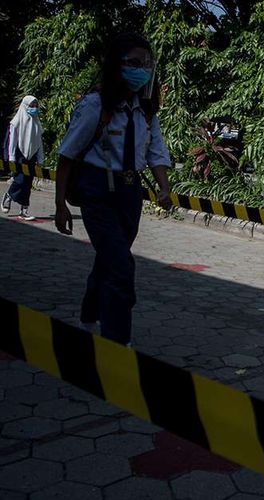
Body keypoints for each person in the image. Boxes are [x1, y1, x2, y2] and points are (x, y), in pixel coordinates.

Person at [54, 33, 172, 346]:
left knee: (109, 259)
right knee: (121, 267)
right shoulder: (95, 105)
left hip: (129, 192)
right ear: (116, 65)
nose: (141, 70)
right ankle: (117, 343)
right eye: (134, 63)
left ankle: (88, 316)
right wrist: (60, 206)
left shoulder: (145, 110)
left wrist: (164, 188)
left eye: (146, 64)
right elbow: (66, 156)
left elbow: (155, 151)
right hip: (97, 190)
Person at [2, 96, 44, 221]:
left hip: (32, 156)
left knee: (27, 183)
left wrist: (40, 159)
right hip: (20, 154)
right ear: (25, 106)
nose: (34, 108)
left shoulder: (36, 122)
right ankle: (8, 196)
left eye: (36, 106)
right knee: (19, 180)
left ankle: (24, 210)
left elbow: (39, 142)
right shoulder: (16, 122)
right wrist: (12, 157)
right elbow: (12, 141)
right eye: (31, 106)